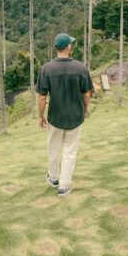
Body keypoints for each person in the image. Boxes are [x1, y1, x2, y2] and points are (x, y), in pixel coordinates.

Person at [36, 33, 93, 196]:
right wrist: (84, 109)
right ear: (68, 47)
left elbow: (41, 96)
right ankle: (64, 185)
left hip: (55, 117)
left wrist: (41, 116)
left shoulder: (47, 68)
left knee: (53, 148)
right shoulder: (80, 68)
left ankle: (53, 177)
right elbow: (87, 93)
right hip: (75, 116)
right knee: (70, 151)